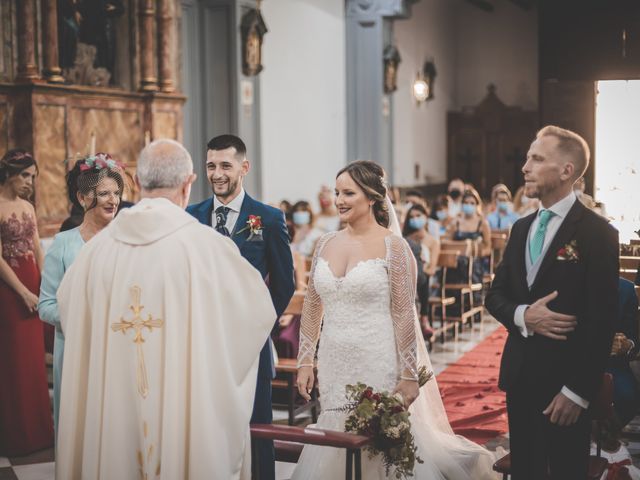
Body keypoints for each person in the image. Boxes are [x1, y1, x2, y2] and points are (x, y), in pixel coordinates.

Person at [55, 139, 276, 479]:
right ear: (189, 183)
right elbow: (256, 315)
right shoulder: (211, 251)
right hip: (183, 418)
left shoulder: (94, 255)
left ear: (139, 184)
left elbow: (70, 316)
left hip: (114, 418)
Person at [294, 160, 496, 479]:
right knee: (336, 434)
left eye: (348, 193)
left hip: (378, 360)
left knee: (378, 445)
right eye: (337, 193)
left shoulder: (395, 247)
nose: (340, 200)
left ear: (372, 197)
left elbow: (404, 313)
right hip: (334, 362)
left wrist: (408, 373)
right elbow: (312, 306)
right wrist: (305, 360)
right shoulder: (325, 244)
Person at [486, 126, 619, 479]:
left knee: (565, 471)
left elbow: (602, 320)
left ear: (567, 171)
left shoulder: (597, 234)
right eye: (528, 157)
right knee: (526, 471)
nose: (524, 166)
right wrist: (523, 315)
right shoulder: (521, 228)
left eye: (537, 158)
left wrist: (577, 392)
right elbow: (495, 295)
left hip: (566, 384)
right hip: (520, 377)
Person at [187, 134, 295, 480]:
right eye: (211, 166)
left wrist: (259, 323)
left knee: (257, 428)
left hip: (250, 345)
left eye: (225, 166)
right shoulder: (192, 216)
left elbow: (284, 283)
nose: (217, 174)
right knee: (207, 428)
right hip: (202, 343)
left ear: (244, 168)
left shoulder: (268, 218)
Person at [38, 154, 124, 433]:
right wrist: (82, 313)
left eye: (116, 193)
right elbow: (46, 305)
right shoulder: (63, 245)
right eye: (103, 194)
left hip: (118, 346)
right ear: (83, 197)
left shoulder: (126, 242)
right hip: (76, 348)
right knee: (79, 427)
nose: (113, 200)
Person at [0, 149, 54, 456]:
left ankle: (39, 432)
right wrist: (21, 292)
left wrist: (45, 282)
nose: (29, 182)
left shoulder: (28, 208)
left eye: (32, 176)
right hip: (9, 291)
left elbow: (37, 249)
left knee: (33, 359)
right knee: (13, 360)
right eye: (25, 175)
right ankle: (16, 436)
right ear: (9, 173)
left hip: (33, 281)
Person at [402, 204, 439, 336]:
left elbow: (432, 268)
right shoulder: (405, 239)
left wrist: (420, 269)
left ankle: (424, 318)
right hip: (406, 275)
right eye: (412, 217)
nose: (415, 219)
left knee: (424, 278)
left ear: (426, 217)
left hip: (424, 277)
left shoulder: (432, 241)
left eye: (418, 216)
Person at [607, 277, 639, 428]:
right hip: (572, 362)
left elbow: (633, 337)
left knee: (629, 398)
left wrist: (627, 345)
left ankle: (606, 436)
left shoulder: (626, 289)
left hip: (613, 365)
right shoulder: (570, 282)